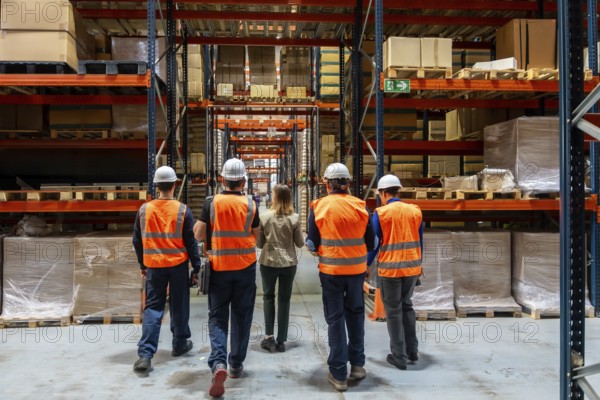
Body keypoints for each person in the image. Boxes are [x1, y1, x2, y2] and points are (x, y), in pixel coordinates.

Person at [193, 158, 260, 399]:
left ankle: (218, 363)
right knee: (242, 318)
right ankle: (236, 365)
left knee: (218, 318)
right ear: (243, 180)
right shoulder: (251, 204)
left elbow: (198, 234)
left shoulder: (211, 202)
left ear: (222, 180)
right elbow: (258, 237)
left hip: (218, 268)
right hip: (245, 269)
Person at [305, 163, 375, 392]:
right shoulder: (361, 206)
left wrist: (315, 247)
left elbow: (312, 243)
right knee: (355, 315)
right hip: (356, 272)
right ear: (348, 183)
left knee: (335, 319)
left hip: (331, 273)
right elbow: (372, 242)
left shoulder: (318, 206)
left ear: (327, 184)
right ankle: (357, 365)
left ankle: (338, 374)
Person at [132, 166, 202, 373]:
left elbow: (137, 240)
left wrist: (142, 264)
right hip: (178, 266)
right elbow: (191, 242)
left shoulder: (144, 210)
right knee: (179, 305)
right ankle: (179, 344)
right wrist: (196, 267)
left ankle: (145, 354)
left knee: (153, 308)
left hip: (154, 266)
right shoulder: (182, 210)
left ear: (157, 186)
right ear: (174, 185)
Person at [367, 174, 423, 371]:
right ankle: (412, 351)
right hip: (412, 267)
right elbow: (420, 240)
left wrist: (366, 265)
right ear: (398, 191)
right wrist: (419, 265)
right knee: (407, 306)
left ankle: (399, 356)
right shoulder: (414, 211)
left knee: (393, 312)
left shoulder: (381, 214)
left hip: (391, 270)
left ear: (383, 193)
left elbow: (373, 244)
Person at [256, 184, 304, 353]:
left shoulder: (264, 217)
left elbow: (259, 244)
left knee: (268, 297)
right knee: (284, 300)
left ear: (274, 197)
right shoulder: (295, 218)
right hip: (288, 263)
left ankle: (269, 337)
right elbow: (300, 243)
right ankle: (282, 340)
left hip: (268, 262)